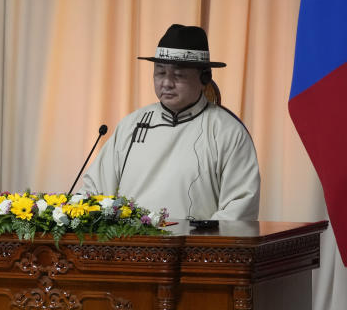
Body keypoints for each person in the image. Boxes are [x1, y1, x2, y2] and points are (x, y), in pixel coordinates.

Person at [82, 24, 260, 221]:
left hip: (195, 249)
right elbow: (93, 192)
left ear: (205, 77)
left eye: (178, 75)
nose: (166, 83)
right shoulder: (131, 125)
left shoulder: (227, 131)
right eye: (160, 73)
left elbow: (240, 206)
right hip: (128, 247)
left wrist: (200, 241)